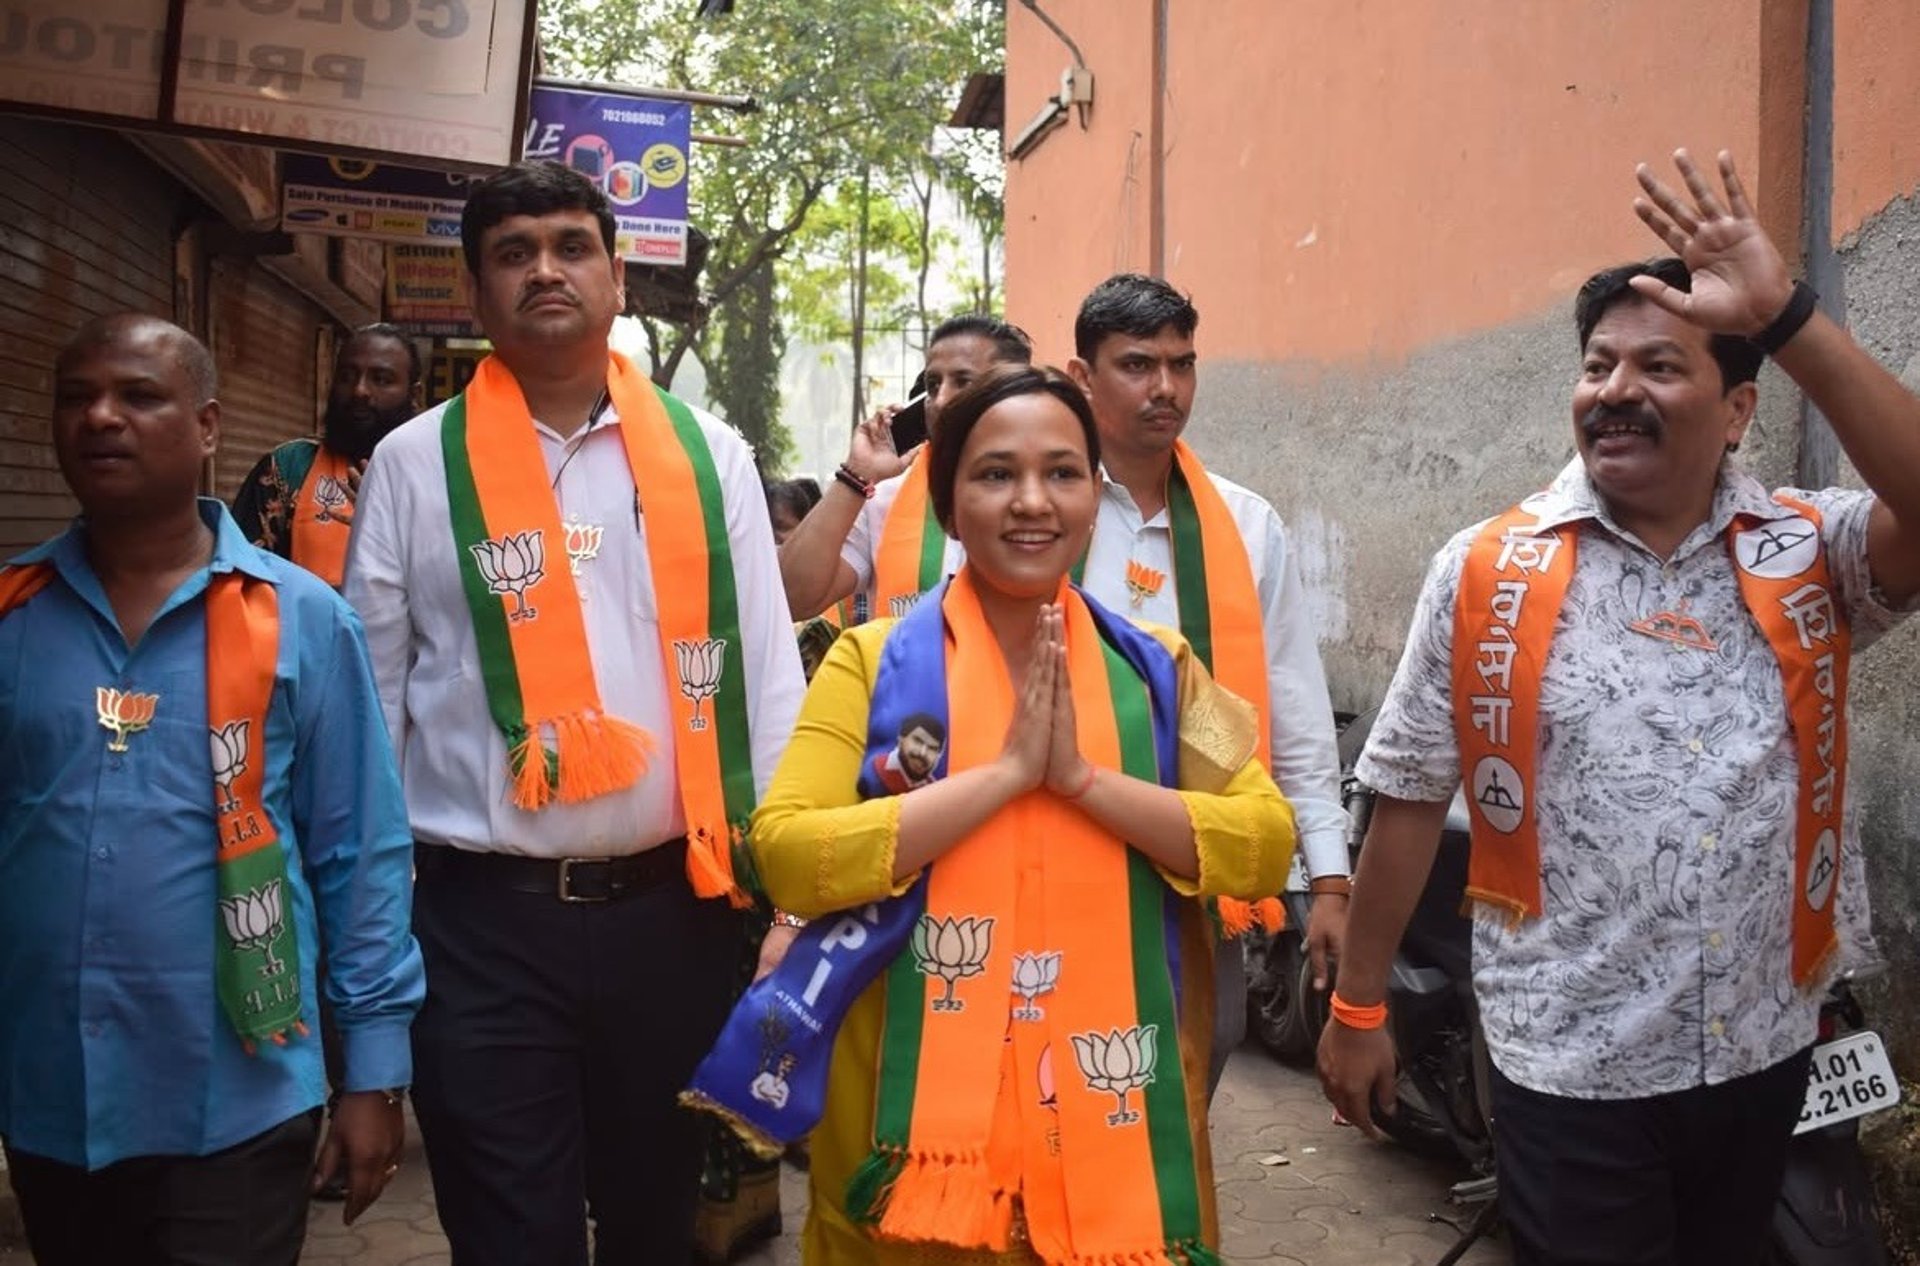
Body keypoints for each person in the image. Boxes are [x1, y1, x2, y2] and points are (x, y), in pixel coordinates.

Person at [1318, 150, 1920, 1266]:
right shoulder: (1488, 569)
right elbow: (1407, 793)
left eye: (1659, 365)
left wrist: (1785, 316)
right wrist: (1358, 1007)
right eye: (1597, 366)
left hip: (1762, 1046)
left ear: (1738, 411)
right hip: (1572, 1065)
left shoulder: (1806, 552)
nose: (1615, 390)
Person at [699, 364, 1296, 1263]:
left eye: (1062, 473)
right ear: (947, 504)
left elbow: (1265, 843)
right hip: (904, 1132)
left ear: (1092, 501)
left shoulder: (1163, 671)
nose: (1032, 502)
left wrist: (1085, 783)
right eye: (994, 474)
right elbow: (785, 852)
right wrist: (1003, 778)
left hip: (1110, 1122)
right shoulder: (867, 663)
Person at [343, 161, 805, 1265]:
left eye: (570, 246)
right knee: (511, 1237)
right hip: (479, 928)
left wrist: (791, 909)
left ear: (617, 279)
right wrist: (371, 959)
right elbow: (372, 716)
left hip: (674, 920)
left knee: (657, 1228)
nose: (545, 270)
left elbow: (767, 685)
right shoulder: (412, 464)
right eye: (513, 253)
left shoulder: (710, 457)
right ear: (475, 291)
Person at [0, 313, 424, 1265]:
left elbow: (359, 855)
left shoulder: (305, 621)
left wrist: (374, 1074)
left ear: (207, 427)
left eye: (138, 396)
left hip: (238, 1095)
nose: (100, 418)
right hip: (50, 1096)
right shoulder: (14, 618)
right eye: (76, 399)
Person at [1066, 274, 1351, 1093]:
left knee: (1202, 1048)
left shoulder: (1247, 527)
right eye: (1137, 365)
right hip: (1056, 844)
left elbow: (1294, 708)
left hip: (1195, 858)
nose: (1166, 387)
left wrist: (1329, 880)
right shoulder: (1035, 508)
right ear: (1082, 377)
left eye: (1182, 364)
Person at [778, 315, 1032, 620]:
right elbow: (791, 598)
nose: (941, 400)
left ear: (1014, 392)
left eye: (963, 382)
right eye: (933, 385)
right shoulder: (883, 497)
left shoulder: (1061, 495)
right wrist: (855, 475)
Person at [230, 323, 423, 586]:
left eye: (381, 379)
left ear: (414, 394)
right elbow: (243, 576)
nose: (360, 390)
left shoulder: (440, 474)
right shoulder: (289, 466)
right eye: (346, 376)